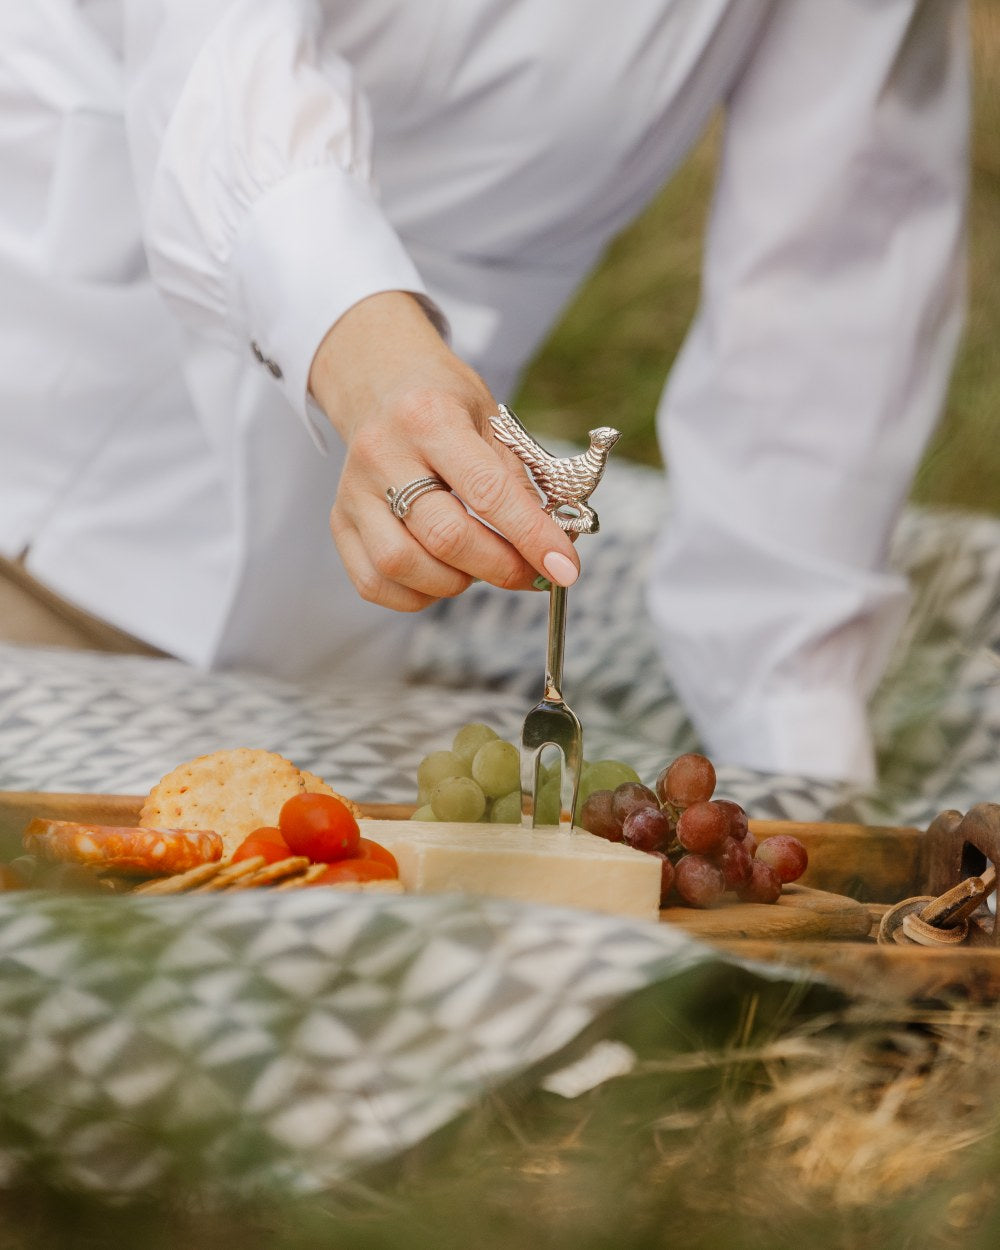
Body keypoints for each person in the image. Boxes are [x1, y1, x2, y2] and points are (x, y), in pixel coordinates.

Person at [0, 0, 968, 784]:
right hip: (36, 457)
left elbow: (832, 283)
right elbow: (212, 46)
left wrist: (800, 763)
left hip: (325, 627)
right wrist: (367, 350)